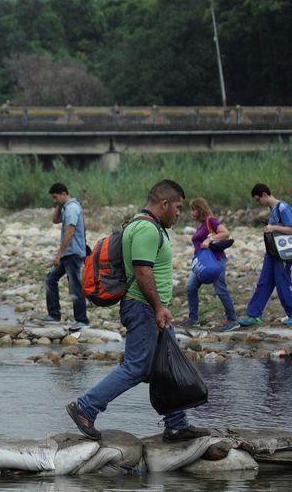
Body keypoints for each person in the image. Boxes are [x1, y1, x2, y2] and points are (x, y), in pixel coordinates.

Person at [66, 180, 209, 442]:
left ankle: (176, 424)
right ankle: (86, 407)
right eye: (177, 207)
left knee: (162, 365)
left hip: (149, 308)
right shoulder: (146, 229)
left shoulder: (143, 225)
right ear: (164, 203)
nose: (179, 213)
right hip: (144, 307)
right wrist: (158, 308)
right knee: (137, 367)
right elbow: (143, 273)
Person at [224, 183, 292, 330]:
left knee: (283, 283)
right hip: (272, 253)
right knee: (264, 282)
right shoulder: (273, 209)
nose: (258, 203)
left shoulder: (282, 207)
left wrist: (273, 227)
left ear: (265, 195)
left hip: (282, 253)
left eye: (258, 199)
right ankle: (254, 314)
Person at [181, 197, 236, 328]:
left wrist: (210, 239)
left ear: (200, 209)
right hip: (203, 263)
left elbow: (225, 233)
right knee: (190, 287)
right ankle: (193, 318)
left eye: (193, 210)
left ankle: (232, 319)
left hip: (216, 261)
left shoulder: (210, 220)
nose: (191, 213)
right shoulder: (200, 225)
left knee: (220, 289)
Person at [43, 183, 89, 327]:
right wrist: (58, 204)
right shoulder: (66, 207)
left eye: (55, 197)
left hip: (73, 254)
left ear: (64, 194)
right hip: (67, 255)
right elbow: (55, 220)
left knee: (75, 287)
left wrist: (58, 254)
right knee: (50, 280)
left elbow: (70, 233)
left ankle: (82, 320)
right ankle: (54, 315)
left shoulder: (72, 208)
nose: (54, 200)